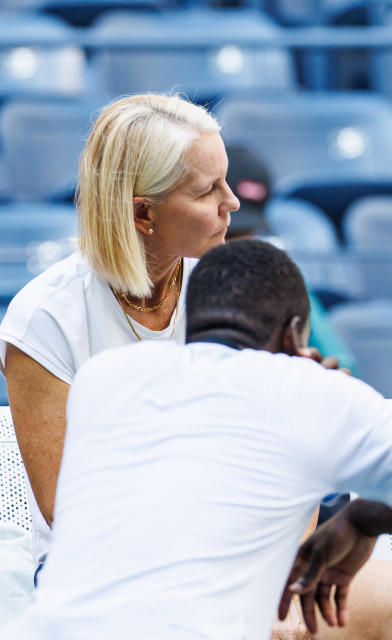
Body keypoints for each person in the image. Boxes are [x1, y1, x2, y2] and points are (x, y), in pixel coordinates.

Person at [0, 239, 392, 640]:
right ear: (295, 334)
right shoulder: (308, 390)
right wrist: (365, 516)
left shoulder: (106, 379)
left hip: (63, 628)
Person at [0, 93, 239, 574]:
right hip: (103, 574)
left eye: (226, 181)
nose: (231, 202)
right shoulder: (44, 319)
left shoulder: (233, 291)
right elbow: (74, 515)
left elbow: (289, 460)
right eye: (207, 190)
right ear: (142, 215)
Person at [224, 143, 357, 374]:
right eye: (226, 233)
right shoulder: (174, 277)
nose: (234, 245)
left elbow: (340, 363)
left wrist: (323, 374)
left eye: (245, 234)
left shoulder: (276, 276)